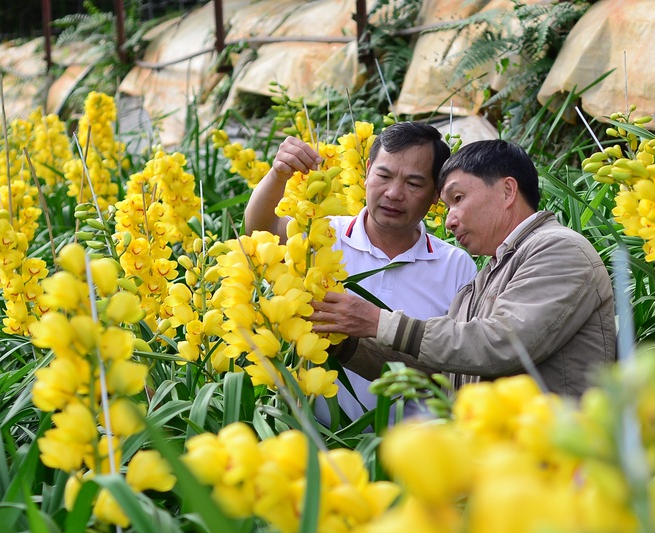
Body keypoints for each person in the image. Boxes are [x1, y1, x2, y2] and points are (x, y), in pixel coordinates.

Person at [310, 139, 617, 398]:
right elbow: (442, 369)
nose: (449, 221)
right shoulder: (487, 276)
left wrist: (377, 321)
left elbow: (503, 344)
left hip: (553, 459)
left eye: (458, 199)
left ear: (508, 191)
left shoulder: (558, 249)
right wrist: (340, 341)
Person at [244, 122, 478, 424]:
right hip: (316, 440)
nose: (394, 193)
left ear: (436, 195)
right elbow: (259, 231)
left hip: (412, 451)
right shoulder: (322, 235)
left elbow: (463, 362)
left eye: (414, 184)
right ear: (366, 172)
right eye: (384, 175)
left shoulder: (456, 267)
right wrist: (278, 175)